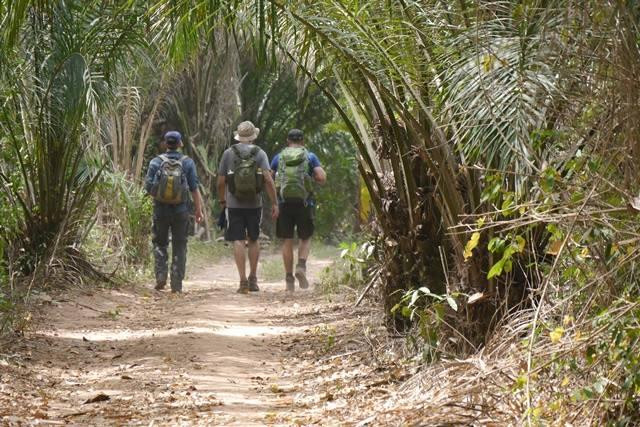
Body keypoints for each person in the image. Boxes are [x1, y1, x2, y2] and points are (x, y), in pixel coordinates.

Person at [217, 121, 279, 294]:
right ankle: (253, 278)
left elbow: (221, 182)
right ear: (253, 136)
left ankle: (242, 280)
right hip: (254, 204)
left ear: (238, 136)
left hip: (233, 204)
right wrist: (274, 202)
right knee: (253, 239)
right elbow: (267, 179)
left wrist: (223, 201)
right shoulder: (260, 153)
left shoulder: (228, 153)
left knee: (237, 239)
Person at [145, 131, 203, 293]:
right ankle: (176, 283)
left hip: (160, 210)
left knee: (160, 243)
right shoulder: (188, 163)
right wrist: (198, 210)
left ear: (165, 143)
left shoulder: (155, 162)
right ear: (180, 144)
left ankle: (161, 276)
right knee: (180, 244)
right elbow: (194, 189)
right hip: (181, 211)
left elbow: (149, 188)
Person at [271, 129, 326, 292]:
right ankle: (301, 266)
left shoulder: (278, 157)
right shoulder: (309, 156)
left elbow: (269, 179)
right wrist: (311, 179)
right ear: (302, 141)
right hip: (304, 203)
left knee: (286, 240)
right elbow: (322, 178)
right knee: (305, 237)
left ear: (287, 141)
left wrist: (274, 203)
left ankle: (289, 279)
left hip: (283, 203)